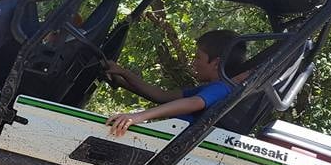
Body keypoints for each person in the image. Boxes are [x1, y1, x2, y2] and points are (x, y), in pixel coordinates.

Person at [104, 29, 246, 136]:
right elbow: (161, 96)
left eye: (198, 58)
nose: (193, 63)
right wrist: (122, 76)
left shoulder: (222, 88)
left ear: (216, 64)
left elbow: (194, 103)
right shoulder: (210, 88)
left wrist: (137, 117)